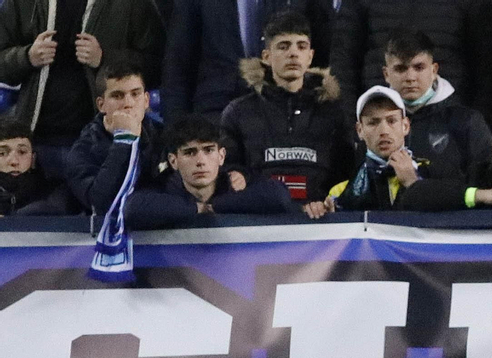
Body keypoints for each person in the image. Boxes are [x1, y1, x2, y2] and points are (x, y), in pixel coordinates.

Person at [0, 0, 161, 180]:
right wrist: (27, 56)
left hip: (102, 144)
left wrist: (105, 58)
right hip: (36, 140)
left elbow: (157, 65)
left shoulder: (133, 4)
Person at [220, 11, 352, 209]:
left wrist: (329, 204)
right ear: (266, 56)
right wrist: (236, 175)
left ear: (310, 56)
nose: (293, 53)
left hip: (321, 224)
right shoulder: (238, 112)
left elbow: (346, 174)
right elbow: (227, 168)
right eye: (283, 46)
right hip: (259, 220)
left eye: (301, 46)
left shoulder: (333, 112)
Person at [332, 0, 492, 125]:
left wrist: (477, 128)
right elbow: (344, 64)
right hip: (378, 125)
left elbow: (489, 71)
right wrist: (352, 125)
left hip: (452, 127)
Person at [162, 0, 334, 118]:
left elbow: (324, 53)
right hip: (216, 111)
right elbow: (178, 65)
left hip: (283, 111)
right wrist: (175, 132)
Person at [125, 113, 303, 226]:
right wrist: (196, 209)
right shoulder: (164, 188)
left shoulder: (235, 185)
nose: (200, 161)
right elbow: (133, 208)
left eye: (209, 150)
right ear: (173, 161)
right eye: (190, 152)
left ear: (221, 156)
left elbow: (279, 196)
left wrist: (215, 206)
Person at [379, 30, 492, 181]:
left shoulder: (467, 122)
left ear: (434, 70)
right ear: (386, 74)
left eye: (419, 68)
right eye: (401, 69)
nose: (410, 77)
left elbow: (483, 185)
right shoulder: (372, 124)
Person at [63, 60, 162, 215]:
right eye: (117, 96)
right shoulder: (83, 150)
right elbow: (101, 204)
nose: (128, 103)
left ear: (146, 100)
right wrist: (123, 141)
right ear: (101, 105)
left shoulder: (165, 138)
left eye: (135, 94)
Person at [326, 85, 433, 211]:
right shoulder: (339, 194)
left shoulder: (432, 175)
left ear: (405, 126)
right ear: (359, 130)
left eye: (391, 121)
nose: (384, 131)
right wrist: (319, 213)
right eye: (373, 122)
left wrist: (413, 183)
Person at [0, 114, 74, 214]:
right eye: (2, 153)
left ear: (33, 158)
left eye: (22, 152)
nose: (14, 162)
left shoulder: (55, 194)